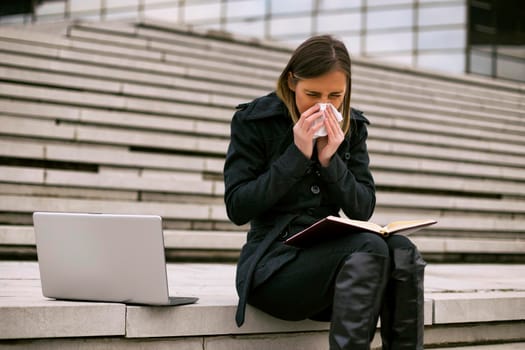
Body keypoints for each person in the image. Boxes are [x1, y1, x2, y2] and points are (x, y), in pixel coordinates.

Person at [223, 34, 426, 350]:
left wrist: (331, 161)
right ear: (292, 82)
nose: (324, 105)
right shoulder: (254, 120)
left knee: (403, 250)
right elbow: (237, 207)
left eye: (336, 96)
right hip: (272, 267)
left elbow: (362, 209)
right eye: (312, 94)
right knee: (370, 249)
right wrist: (297, 155)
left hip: (334, 268)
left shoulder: (352, 126)